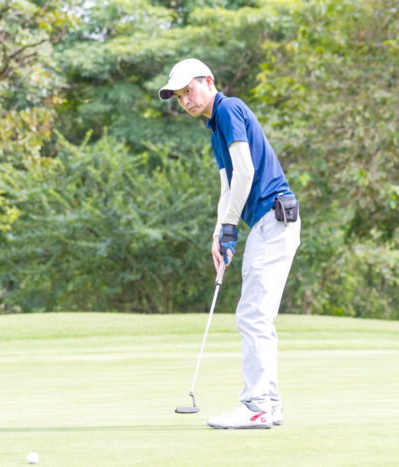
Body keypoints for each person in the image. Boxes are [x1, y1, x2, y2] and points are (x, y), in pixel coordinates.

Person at [159, 58, 301, 429]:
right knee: (257, 316)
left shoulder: (228, 109)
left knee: (252, 315)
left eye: (189, 90)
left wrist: (230, 226)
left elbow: (247, 172)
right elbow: (228, 184)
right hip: (269, 224)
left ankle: (257, 406)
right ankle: (269, 404)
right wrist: (218, 233)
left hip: (273, 220)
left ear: (208, 81)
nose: (185, 101)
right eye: (179, 96)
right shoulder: (215, 128)